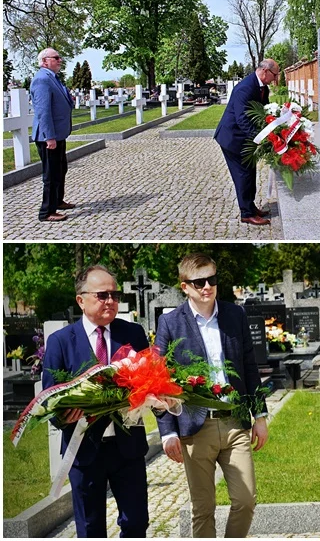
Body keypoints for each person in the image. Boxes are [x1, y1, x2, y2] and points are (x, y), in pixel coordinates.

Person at [155, 253, 268, 537]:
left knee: (245, 500)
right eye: (199, 281)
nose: (207, 286)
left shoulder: (235, 315)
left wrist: (261, 414)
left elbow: (249, 368)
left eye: (212, 279)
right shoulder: (170, 323)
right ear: (184, 286)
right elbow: (158, 381)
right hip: (195, 428)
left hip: (235, 424)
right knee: (203, 509)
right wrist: (168, 432)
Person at [42, 265, 150, 537]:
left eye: (114, 295)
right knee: (90, 529)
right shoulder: (60, 342)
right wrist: (63, 415)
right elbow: (50, 397)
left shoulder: (133, 333)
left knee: (136, 522)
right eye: (102, 295)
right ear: (81, 299)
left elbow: (150, 378)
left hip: (128, 447)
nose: (111, 301)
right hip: (85, 449)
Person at [214, 59, 280, 226]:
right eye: (275, 74)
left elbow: (264, 110)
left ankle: (250, 206)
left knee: (250, 173)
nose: (276, 78)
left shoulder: (262, 87)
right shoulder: (245, 88)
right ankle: (246, 213)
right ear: (265, 71)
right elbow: (242, 119)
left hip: (244, 139)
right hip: (233, 138)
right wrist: (261, 138)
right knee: (243, 176)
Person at [30, 47, 76, 222]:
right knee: (50, 174)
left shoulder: (52, 78)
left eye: (59, 57)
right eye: (56, 57)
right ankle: (46, 212)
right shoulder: (42, 79)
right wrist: (49, 137)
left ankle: (58, 201)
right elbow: (43, 111)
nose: (60, 60)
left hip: (58, 134)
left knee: (60, 169)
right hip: (48, 137)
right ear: (44, 61)